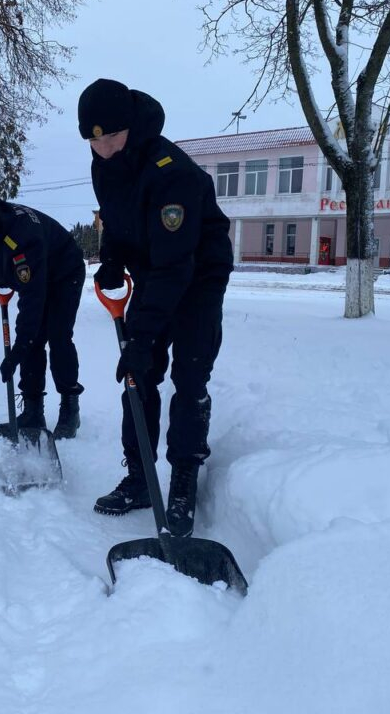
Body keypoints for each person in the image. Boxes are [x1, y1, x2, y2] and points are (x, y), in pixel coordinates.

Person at [78, 78, 234, 537]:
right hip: (154, 270)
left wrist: (143, 337)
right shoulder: (103, 164)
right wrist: (112, 261)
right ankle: (141, 477)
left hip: (197, 275)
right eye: (92, 138)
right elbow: (122, 222)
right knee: (139, 376)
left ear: (131, 127)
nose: (102, 147)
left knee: (188, 373)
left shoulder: (173, 174)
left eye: (110, 136)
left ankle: (183, 476)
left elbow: (175, 265)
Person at [0, 196, 86, 439]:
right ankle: (33, 411)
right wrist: (5, 275)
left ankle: (70, 407)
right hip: (37, 268)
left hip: (65, 272)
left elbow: (32, 298)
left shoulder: (25, 238)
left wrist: (19, 347)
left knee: (58, 336)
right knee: (34, 341)